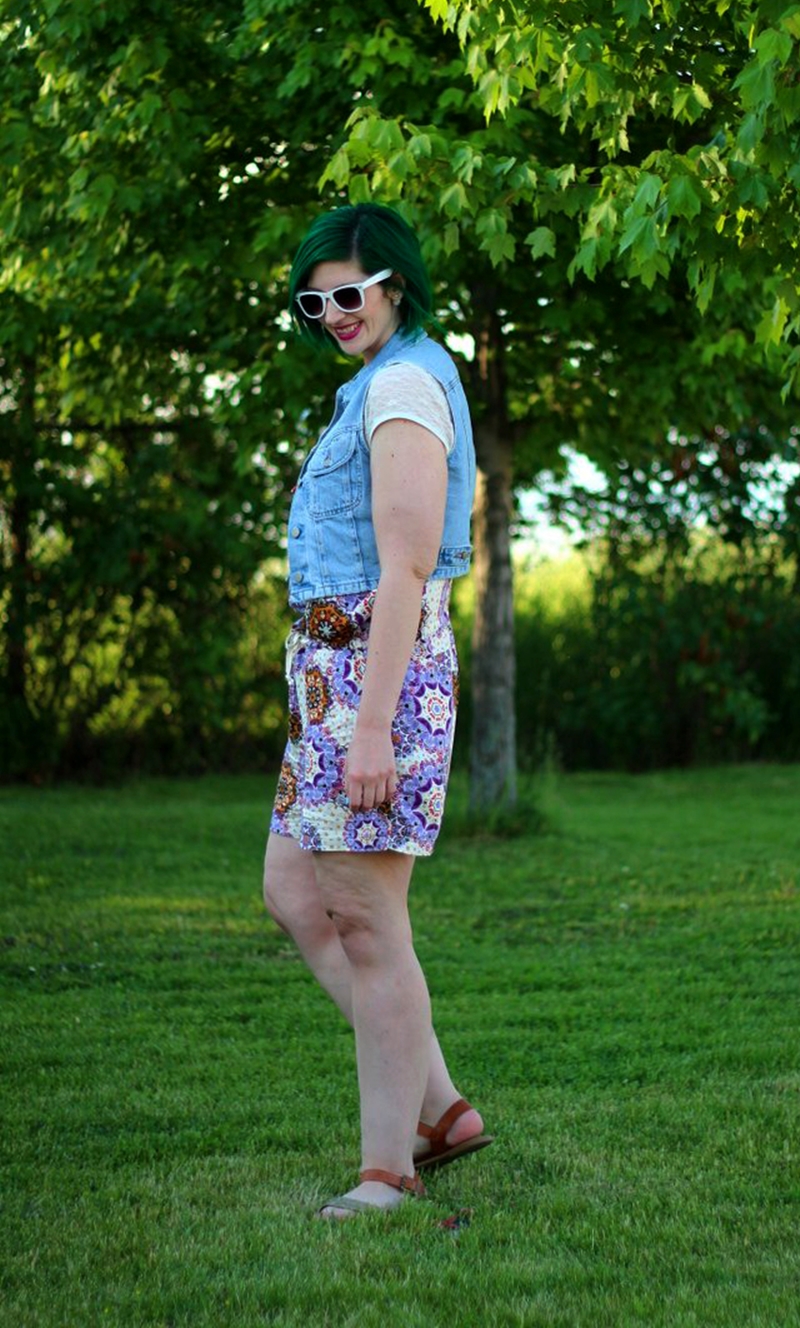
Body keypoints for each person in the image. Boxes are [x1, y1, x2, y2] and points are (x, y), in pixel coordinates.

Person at [262, 203, 492, 1220]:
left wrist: (368, 729)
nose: (333, 314)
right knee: (295, 892)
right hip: (331, 678)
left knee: (364, 915)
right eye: (314, 304)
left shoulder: (401, 386)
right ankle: (439, 1111)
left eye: (348, 293)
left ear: (394, 283)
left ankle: (387, 1170)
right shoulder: (375, 383)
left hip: (373, 682)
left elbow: (403, 567)